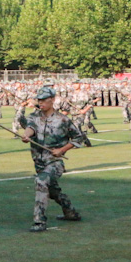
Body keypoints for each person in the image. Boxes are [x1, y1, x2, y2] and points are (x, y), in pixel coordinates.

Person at [20, 86, 84, 232]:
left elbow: (78, 137)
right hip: (39, 162)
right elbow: (31, 128)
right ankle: (70, 212)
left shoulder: (63, 119)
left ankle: (39, 221)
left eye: (44, 100)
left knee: (41, 181)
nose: (41, 103)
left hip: (55, 162)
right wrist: (27, 135)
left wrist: (62, 150)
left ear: (52, 100)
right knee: (52, 191)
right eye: (39, 100)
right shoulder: (34, 116)